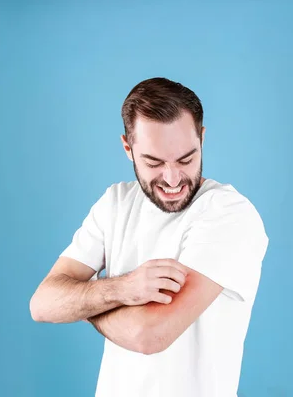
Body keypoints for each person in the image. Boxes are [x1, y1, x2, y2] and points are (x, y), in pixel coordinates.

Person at [29, 77, 269, 397]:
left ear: (202, 138)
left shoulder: (228, 213)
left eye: (186, 159)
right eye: (154, 162)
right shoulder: (114, 204)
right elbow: (42, 303)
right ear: (128, 148)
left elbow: (150, 335)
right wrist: (124, 289)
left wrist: (83, 304)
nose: (172, 179)